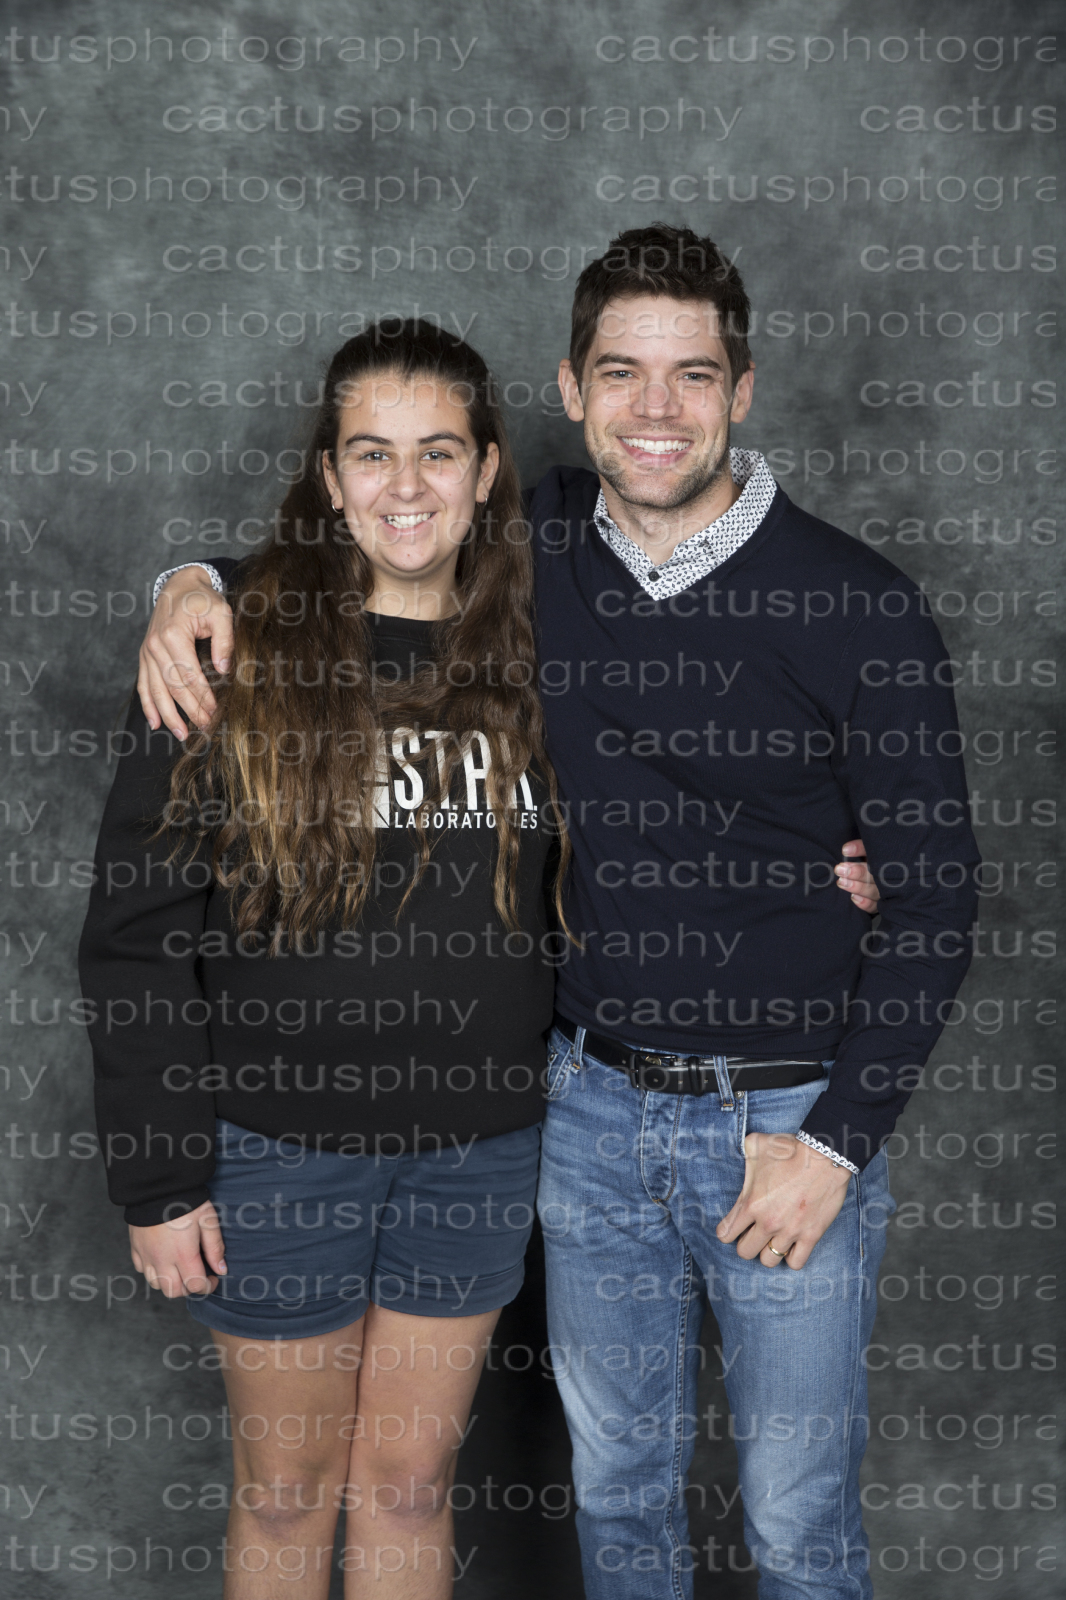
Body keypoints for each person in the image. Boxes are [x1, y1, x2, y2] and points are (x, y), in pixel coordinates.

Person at [132, 223, 949, 1600]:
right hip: (585, 1112)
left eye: (693, 374)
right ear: (571, 390)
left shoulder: (859, 605)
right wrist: (184, 587)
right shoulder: (538, 544)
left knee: (797, 1516)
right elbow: (370, 528)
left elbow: (939, 897)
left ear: (743, 389)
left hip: (782, 1122)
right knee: (615, 1493)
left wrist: (838, 1143)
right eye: (621, 372)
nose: (655, 408)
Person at [79, 322, 575, 1600]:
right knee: (288, 1490)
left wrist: (827, 861)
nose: (405, 485)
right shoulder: (231, 652)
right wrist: (158, 1177)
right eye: (371, 453)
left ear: (487, 469)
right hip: (277, 1149)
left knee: (408, 1484)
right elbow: (135, 935)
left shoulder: (548, 644)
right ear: (328, 474)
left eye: (438, 452)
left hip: (478, 1145)